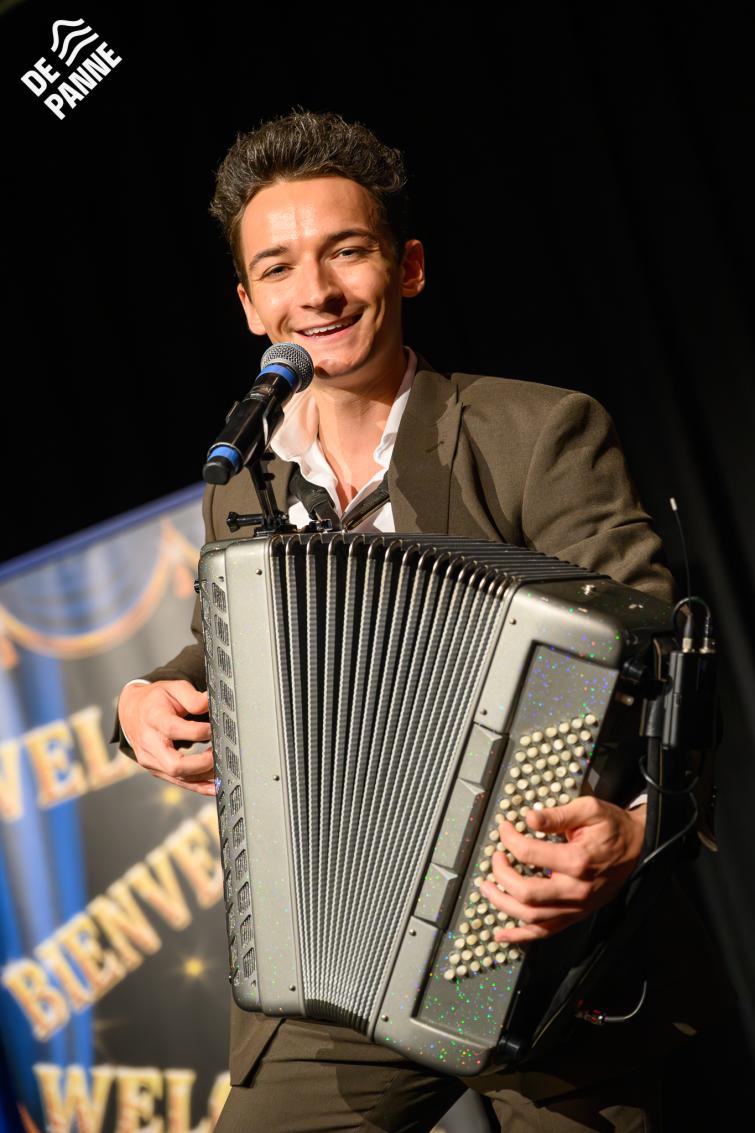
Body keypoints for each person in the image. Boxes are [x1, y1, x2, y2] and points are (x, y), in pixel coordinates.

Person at [112, 110, 726, 1131]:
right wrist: (143, 698)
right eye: (277, 268)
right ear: (249, 305)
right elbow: (236, 646)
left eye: (344, 251)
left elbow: (655, 656)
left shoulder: (536, 429)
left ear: (408, 268)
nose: (314, 291)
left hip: (543, 935)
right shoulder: (246, 481)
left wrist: (630, 830)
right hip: (336, 946)